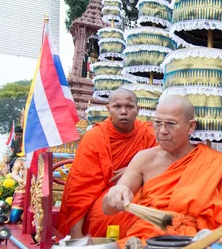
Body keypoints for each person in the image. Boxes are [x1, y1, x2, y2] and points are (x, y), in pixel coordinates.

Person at [103, 95, 222, 243]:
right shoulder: (144, 159)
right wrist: (114, 195)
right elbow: (108, 209)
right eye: (157, 123)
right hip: (149, 241)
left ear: (190, 127)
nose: (162, 131)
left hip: (197, 243)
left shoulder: (212, 163)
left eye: (171, 124)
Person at [59, 88, 157, 239]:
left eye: (129, 107)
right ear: (108, 109)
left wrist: (136, 171)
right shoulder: (95, 138)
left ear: (137, 110)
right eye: (117, 107)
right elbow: (80, 188)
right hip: (104, 198)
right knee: (113, 215)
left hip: (141, 193)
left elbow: (165, 164)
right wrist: (76, 234)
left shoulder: (148, 133)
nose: (123, 112)